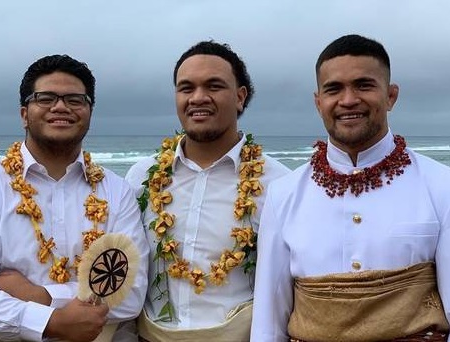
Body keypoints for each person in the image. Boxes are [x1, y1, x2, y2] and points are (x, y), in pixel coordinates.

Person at [0, 54, 149, 342]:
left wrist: (41, 296)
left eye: (75, 99)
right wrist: (50, 322)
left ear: (89, 112)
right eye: (45, 98)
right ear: (24, 113)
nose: (60, 107)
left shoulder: (117, 191)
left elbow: (132, 293)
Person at [251, 34, 450, 341]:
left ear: (391, 96)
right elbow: (269, 317)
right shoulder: (283, 194)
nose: (348, 100)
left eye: (364, 85)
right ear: (319, 102)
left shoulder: (440, 185)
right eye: (333, 89)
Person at [125, 41, 290, 341]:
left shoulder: (278, 183)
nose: (198, 98)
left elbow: (286, 286)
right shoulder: (142, 178)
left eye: (214, 86)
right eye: (186, 88)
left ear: (240, 97)